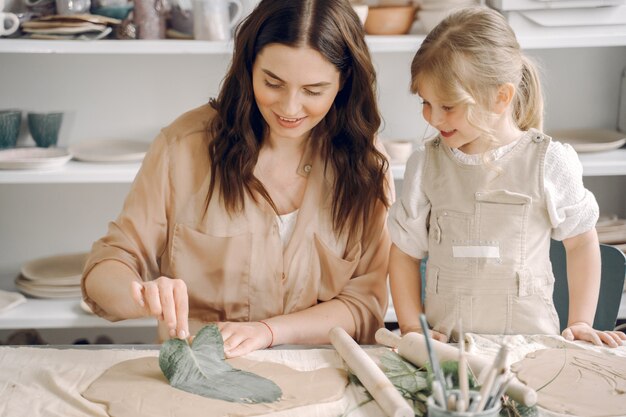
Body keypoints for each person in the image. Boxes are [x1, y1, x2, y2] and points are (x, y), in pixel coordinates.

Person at [82, 0, 392, 357]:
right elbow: (105, 268)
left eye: (313, 90)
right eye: (273, 83)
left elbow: (363, 303)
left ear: (344, 82)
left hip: (319, 369)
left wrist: (268, 332)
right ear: (248, 67)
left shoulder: (365, 164)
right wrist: (141, 295)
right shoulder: (183, 148)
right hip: (200, 369)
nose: (290, 108)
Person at [388, 7, 625, 347]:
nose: (434, 118)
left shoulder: (549, 161)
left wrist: (581, 322)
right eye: (426, 102)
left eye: (449, 105)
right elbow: (404, 253)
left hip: (532, 351)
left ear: (501, 97)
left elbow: (582, 242)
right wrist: (413, 328)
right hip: (450, 354)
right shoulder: (426, 164)